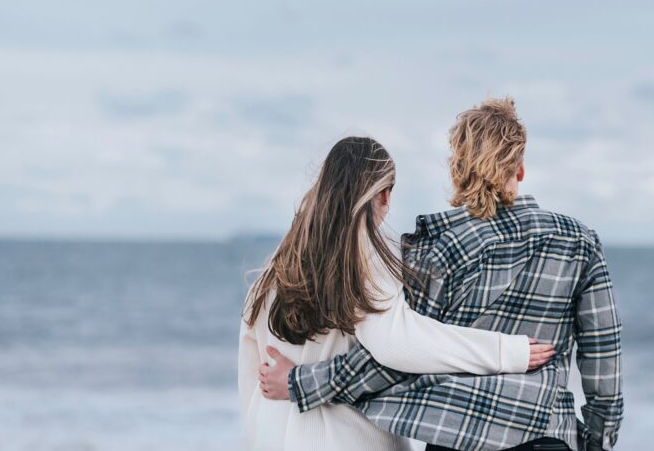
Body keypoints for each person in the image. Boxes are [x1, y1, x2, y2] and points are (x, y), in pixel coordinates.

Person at [260, 98, 623, 451]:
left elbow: (394, 356)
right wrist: (596, 442)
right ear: (520, 168)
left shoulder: (433, 250)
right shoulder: (578, 242)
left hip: (455, 438)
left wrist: (301, 383)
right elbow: (604, 365)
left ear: (457, 170)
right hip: (546, 435)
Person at [239, 136, 555, 451]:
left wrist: (290, 390)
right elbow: (398, 344)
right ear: (384, 195)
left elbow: (250, 381)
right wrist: (505, 351)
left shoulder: (270, 275)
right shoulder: (365, 257)